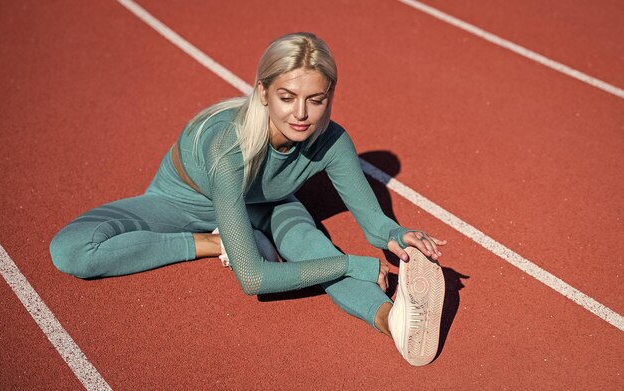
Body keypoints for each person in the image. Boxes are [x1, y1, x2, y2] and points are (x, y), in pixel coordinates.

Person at [49, 32, 447, 366]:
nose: (302, 114)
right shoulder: (228, 144)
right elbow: (253, 278)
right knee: (72, 251)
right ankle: (216, 242)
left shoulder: (333, 140)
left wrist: (398, 235)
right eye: (287, 97)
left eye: (316, 99)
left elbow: (375, 223)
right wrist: (353, 263)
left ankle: (391, 320)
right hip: (184, 200)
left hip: (266, 205)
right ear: (263, 92)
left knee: (311, 245)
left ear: (330, 96)